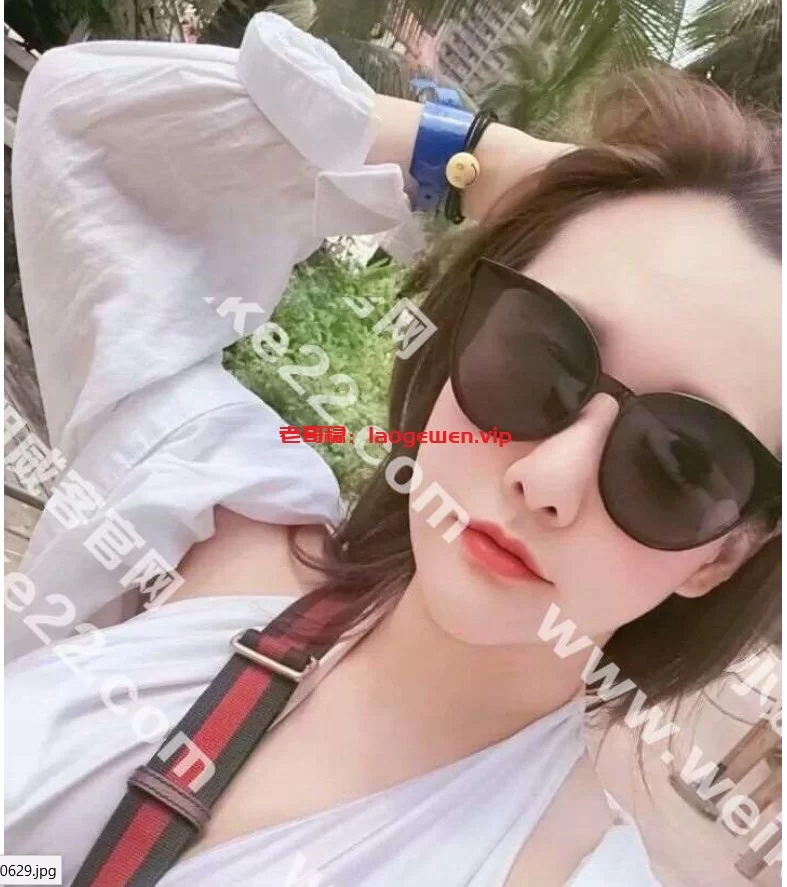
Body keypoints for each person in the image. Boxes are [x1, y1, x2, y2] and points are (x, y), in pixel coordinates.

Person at [5, 11, 781, 887]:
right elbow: (82, 115)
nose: (546, 478)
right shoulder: (215, 521)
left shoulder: (567, 870)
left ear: (719, 558)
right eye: (537, 356)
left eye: (675, 465)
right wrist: (477, 162)